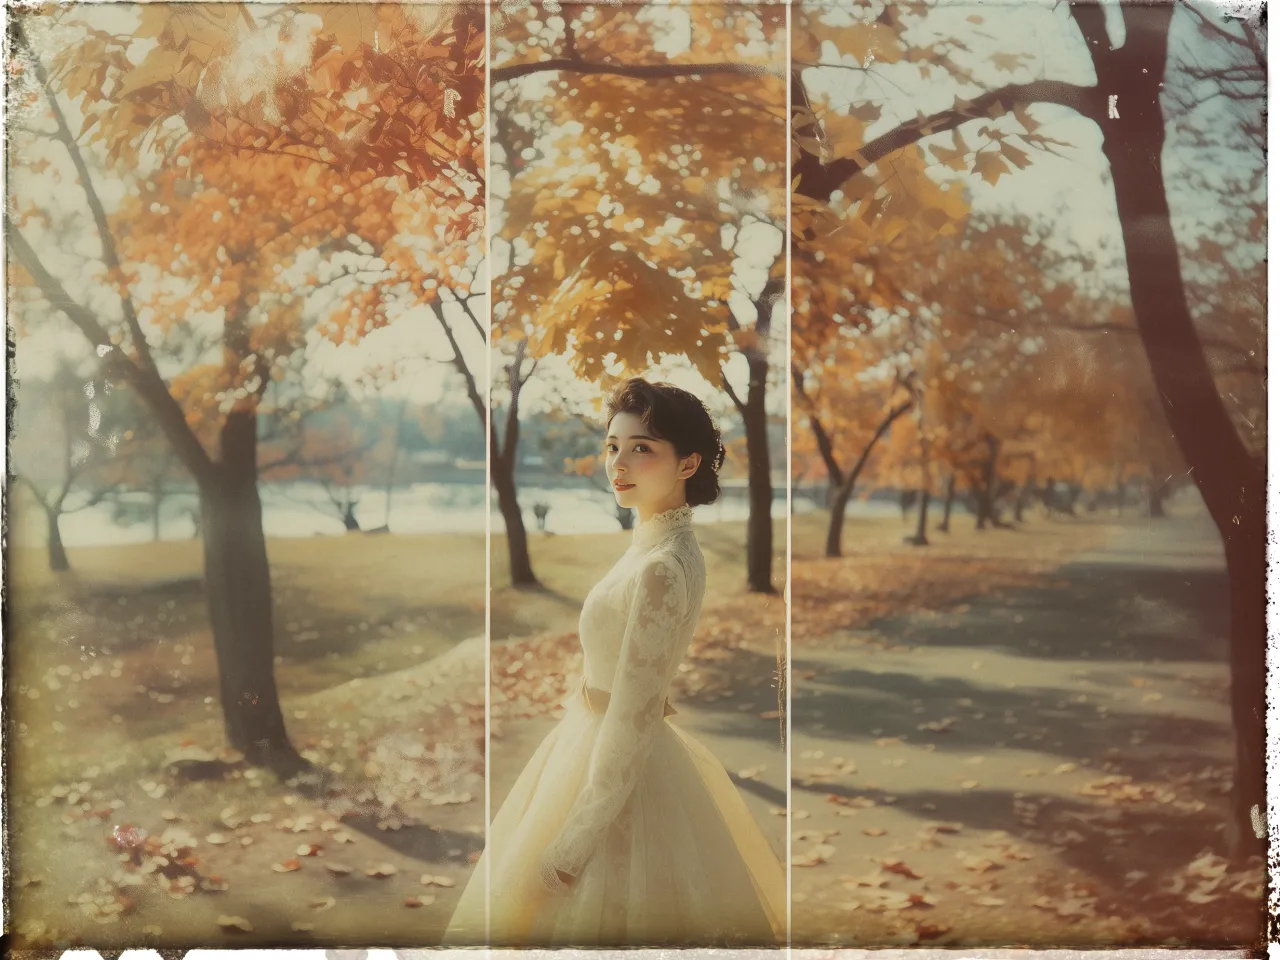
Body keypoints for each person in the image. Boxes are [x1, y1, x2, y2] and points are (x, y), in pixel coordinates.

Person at [445, 378, 784, 946]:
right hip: (584, 748)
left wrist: (572, 845)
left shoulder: (662, 567)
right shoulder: (655, 546)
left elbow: (633, 714)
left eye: (642, 448)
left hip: (616, 776)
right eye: (612, 446)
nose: (618, 463)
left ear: (688, 463)